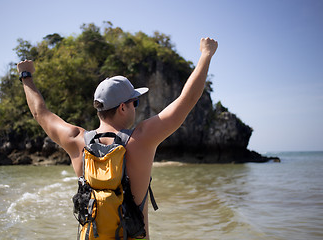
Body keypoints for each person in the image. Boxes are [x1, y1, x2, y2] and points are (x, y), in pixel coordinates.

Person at [17, 37, 218, 239]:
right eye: (135, 102)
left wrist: (26, 76)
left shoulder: (75, 140)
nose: (136, 107)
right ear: (123, 107)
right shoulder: (141, 139)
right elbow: (188, 99)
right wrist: (206, 54)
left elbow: (40, 113)